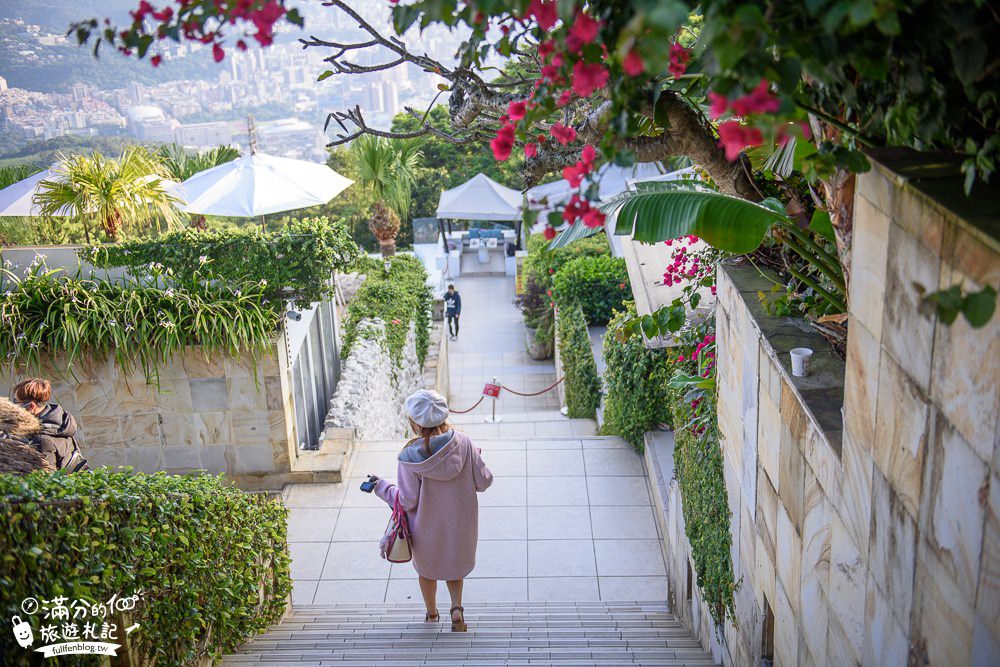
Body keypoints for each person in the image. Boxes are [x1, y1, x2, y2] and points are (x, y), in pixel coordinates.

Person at [371, 389, 492, 632]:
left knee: (428, 571)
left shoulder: (408, 456)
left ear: (414, 422)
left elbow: (407, 501)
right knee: (454, 565)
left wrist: (381, 487)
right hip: (460, 525)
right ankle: (457, 611)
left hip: (425, 529)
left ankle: (432, 614)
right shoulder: (465, 442)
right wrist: (474, 460)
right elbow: (484, 481)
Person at [13, 378, 88, 472]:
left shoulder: (42, 440)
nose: (13, 406)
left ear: (31, 406)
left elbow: (45, 482)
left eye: (15, 402)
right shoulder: (59, 421)